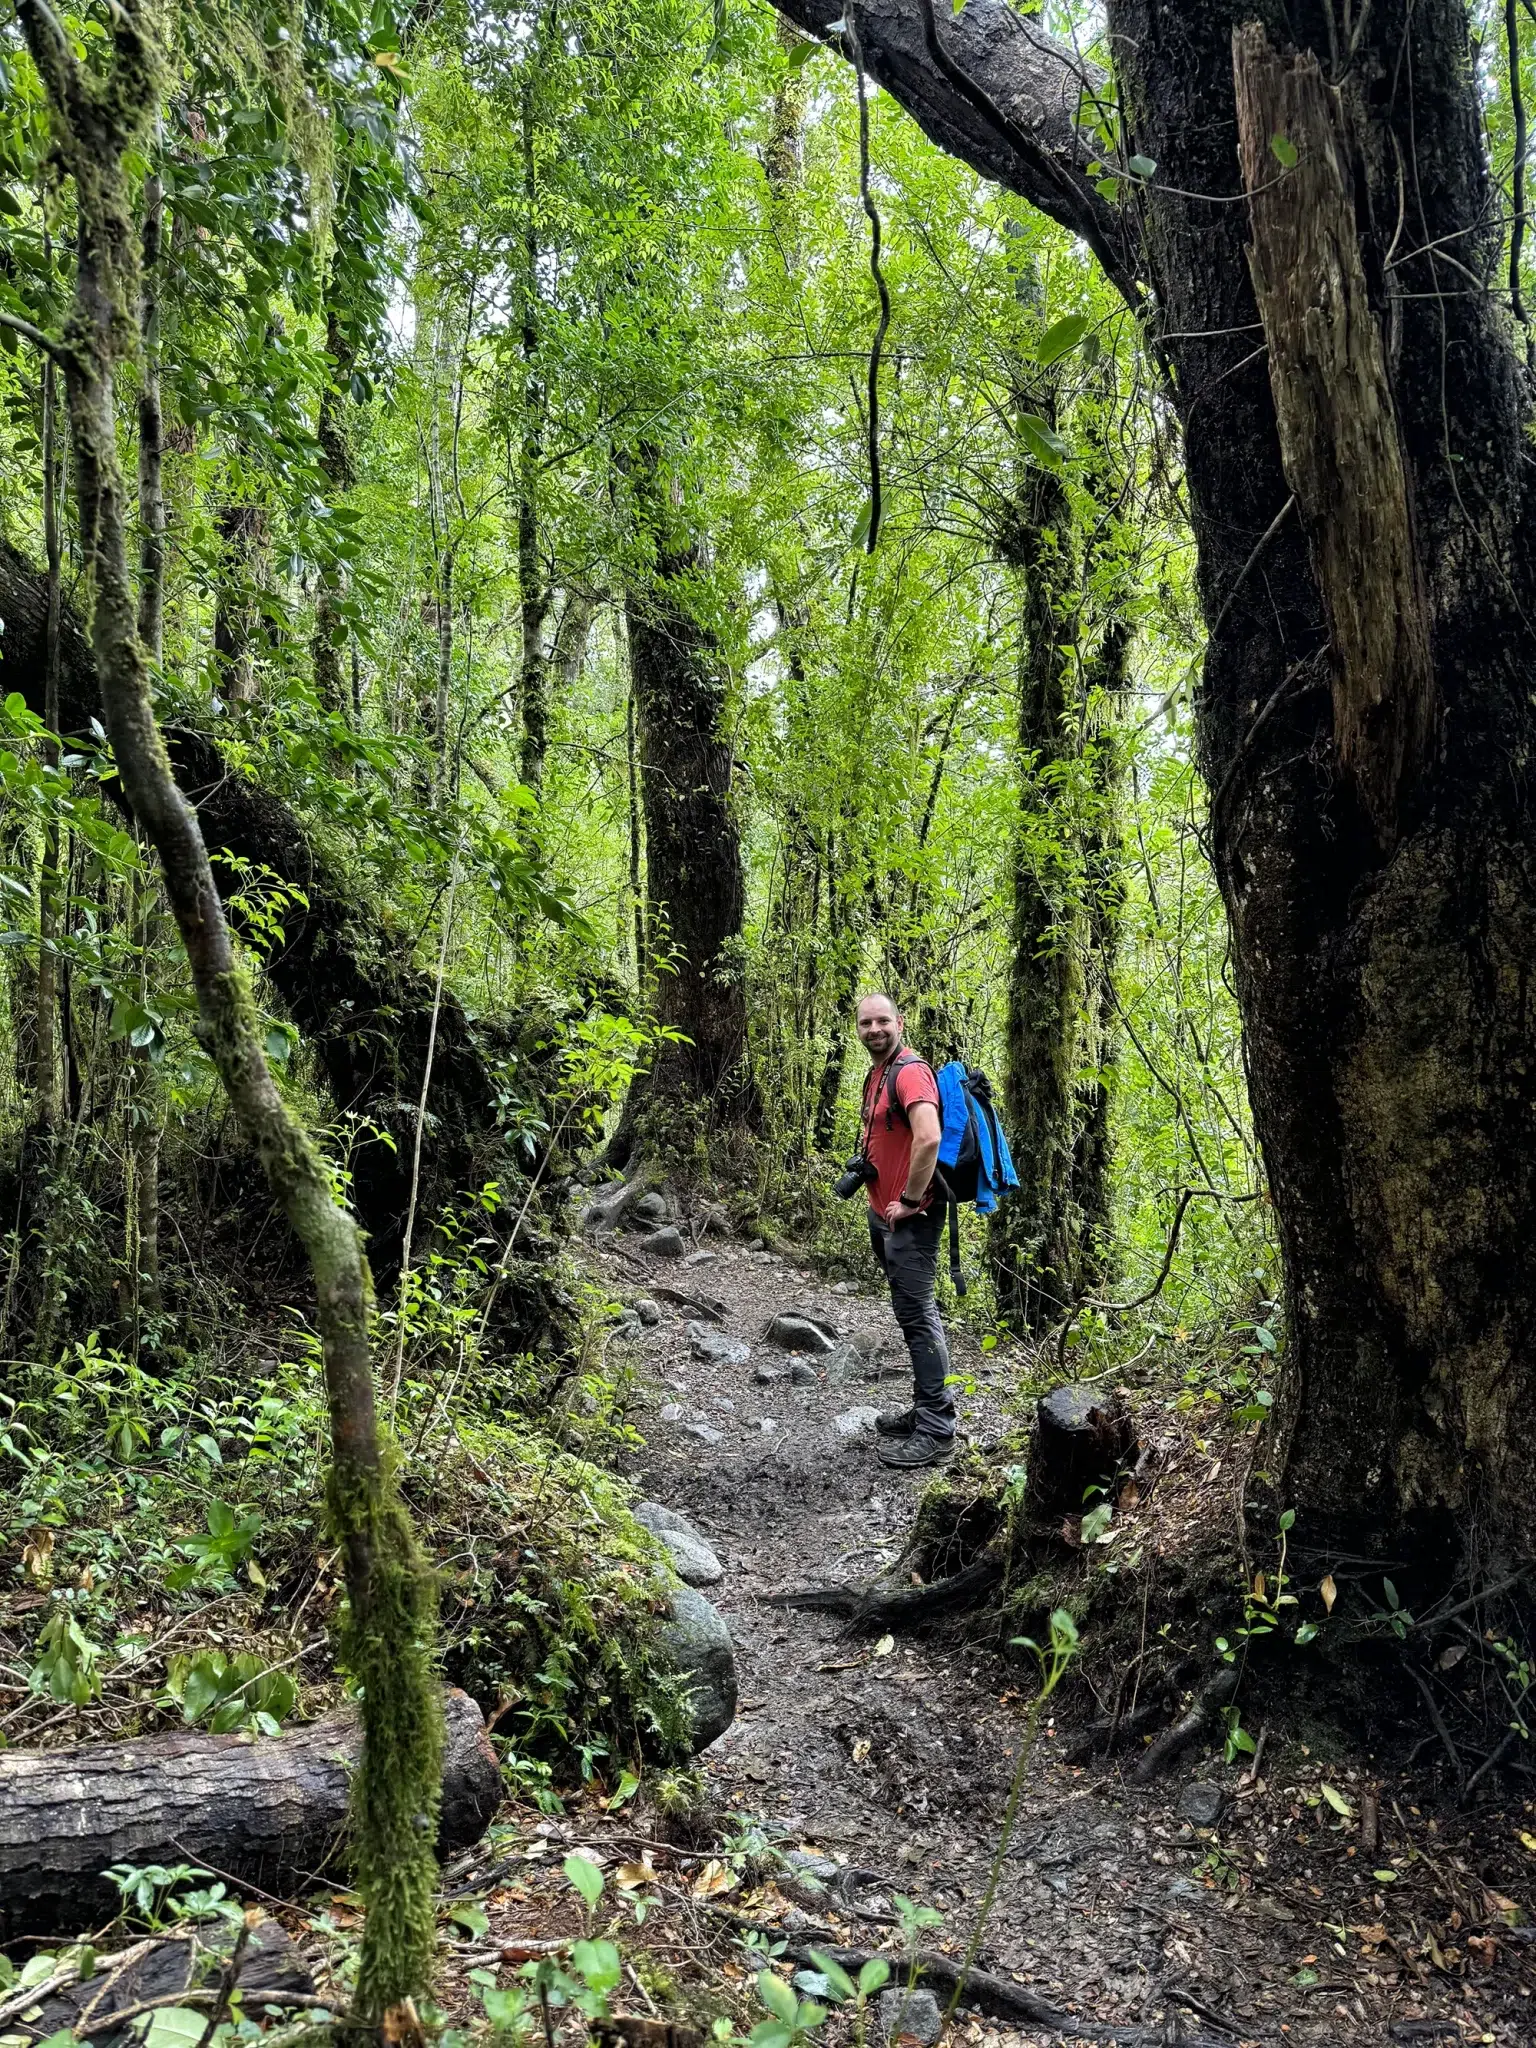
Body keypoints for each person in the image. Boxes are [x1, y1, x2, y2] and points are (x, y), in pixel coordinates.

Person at [853, 992, 955, 1468]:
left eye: (882, 1021)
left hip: (912, 1216)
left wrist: (911, 1201)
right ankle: (926, 1409)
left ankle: (937, 1428)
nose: (874, 1029)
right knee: (910, 1313)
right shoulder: (879, 1073)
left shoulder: (911, 1071)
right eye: (866, 1023)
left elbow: (929, 1136)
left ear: (899, 1022)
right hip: (886, 1213)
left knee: (918, 1316)